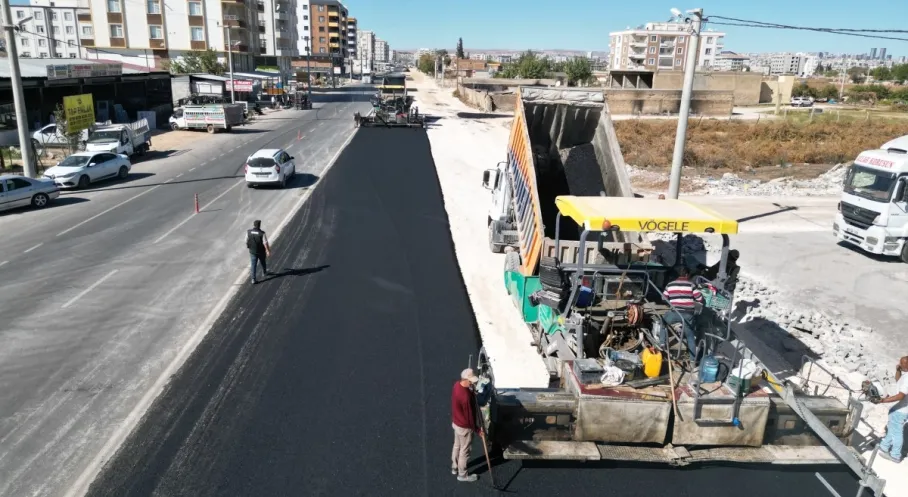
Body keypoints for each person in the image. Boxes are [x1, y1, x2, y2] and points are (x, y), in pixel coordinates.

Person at [662, 266, 704, 358]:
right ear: (687, 274)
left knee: (663, 321)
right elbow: (700, 298)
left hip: (675, 314)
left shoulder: (670, 284)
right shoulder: (691, 285)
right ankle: (693, 360)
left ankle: (662, 343)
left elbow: (663, 298)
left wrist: (673, 299)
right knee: (690, 336)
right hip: (688, 314)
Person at [874, 356, 908, 463]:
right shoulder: (905, 376)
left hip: (901, 410)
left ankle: (895, 455)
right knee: (892, 428)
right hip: (898, 408)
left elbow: (901, 396)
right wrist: (898, 370)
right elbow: (898, 382)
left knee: (897, 432)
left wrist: (883, 400)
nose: (900, 364)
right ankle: (884, 447)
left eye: (902, 363)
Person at [451, 368, 481, 482]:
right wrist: (477, 430)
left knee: (457, 446)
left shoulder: (456, 385)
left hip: (456, 423)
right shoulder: (466, 397)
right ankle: (462, 475)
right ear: (466, 380)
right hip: (465, 427)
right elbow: (470, 418)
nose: (472, 382)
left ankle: (455, 467)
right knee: (465, 450)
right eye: (471, 381)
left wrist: (471, 390)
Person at [245, 220, 271, 284]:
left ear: (254, 225)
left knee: (253, 265)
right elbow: (265, 243)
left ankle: (253, 279)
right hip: (261, 251)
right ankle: (264, 272)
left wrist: (248, 246)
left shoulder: (248, 232)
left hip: (252, 251)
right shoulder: (262, 233)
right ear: (259, 225)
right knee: (263, 262)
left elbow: (246, 240)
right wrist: (267, 251)